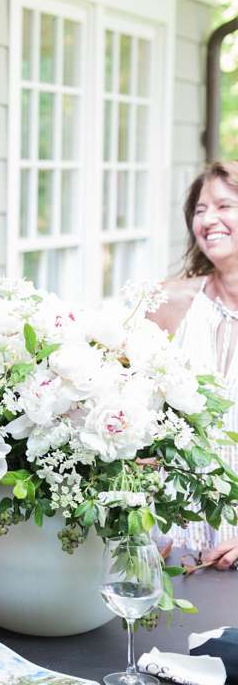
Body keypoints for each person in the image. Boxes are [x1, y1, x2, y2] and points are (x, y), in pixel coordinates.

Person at [148, 161, 238, 570]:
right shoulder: (169, 304)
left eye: (224, 205)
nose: (208, 220)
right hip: (172, 539)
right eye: (200, 210)